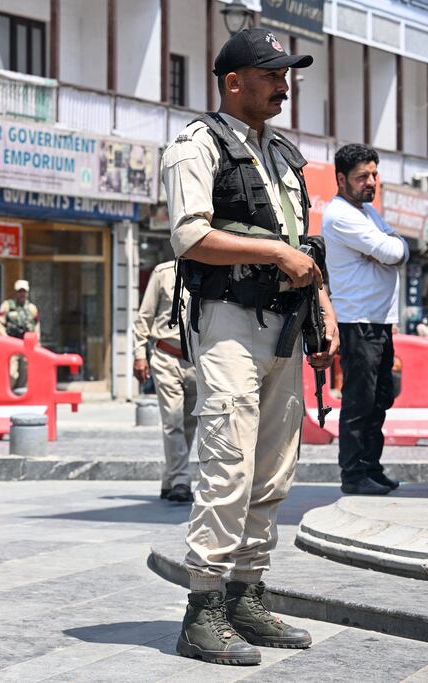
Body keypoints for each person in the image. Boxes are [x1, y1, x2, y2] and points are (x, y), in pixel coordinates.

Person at [161, 28, 339, 666]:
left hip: (285, 324)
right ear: (234, 81)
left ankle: (246, 592)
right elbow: (191, 238)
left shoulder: (285, 154)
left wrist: (323, 311)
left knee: (272, 467)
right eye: (271, 74)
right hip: (229, 322)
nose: (283, 85)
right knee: (226, 461)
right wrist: (275, 253)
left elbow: (303, 246)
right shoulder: (195, 146)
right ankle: (202, 607)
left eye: (285, 74)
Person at [321, 144, 408, 495]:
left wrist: (387, 248)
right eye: (362, 177)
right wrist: (386, 249)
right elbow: (392, 251)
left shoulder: (367, 212)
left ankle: (371, 466)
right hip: (357, 322)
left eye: (374, 174)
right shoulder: (341, 214)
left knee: (380, 398)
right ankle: (354, 474)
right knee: (360, 400)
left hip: (379, 321)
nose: (371, 182)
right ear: (341, 179)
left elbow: (398, 248)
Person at [132, 261, 197, 503]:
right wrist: (140, 354)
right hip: (166, 356)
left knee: (188, 424)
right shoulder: (163, 273)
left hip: (197, 361)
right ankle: (181, 478)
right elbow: (144, 317)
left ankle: (170, 479)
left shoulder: (212, 271)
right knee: (172, 420)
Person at [0, 280, 40, 388]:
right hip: (12, 343)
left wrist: (37, 342)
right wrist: (5, 338)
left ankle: (21, 393)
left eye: (24, 292)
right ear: (16, 292)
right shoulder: (7, 305)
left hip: (26, 344)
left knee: (25, 370)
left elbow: (37, 326)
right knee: (12, 372)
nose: (22, 294)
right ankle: (10, 391)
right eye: (20, 291)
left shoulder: (32, 308)